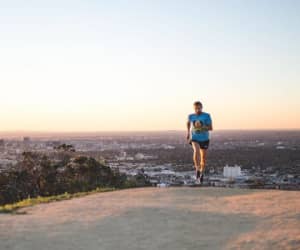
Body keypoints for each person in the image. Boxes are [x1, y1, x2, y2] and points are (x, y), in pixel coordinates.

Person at [186, 101, 213, 184]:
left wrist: (202, 129)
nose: (198, 110)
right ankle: (197, 169)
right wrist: (188, 133)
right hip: (194, 138)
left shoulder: (206, 116)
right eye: (196, 108)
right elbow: (188, 123)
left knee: (203, 158)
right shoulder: (191, 116)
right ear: (194, 108)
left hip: (204, 139)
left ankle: (202, 172)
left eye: (199, 108)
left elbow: (210, 128)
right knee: (196, 150)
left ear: (202, 107)